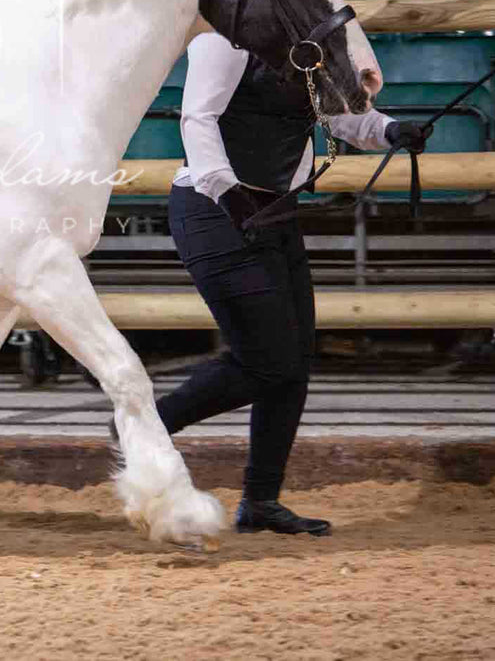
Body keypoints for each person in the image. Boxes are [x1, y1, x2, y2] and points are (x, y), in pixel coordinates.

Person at [120, 30, 427, 536]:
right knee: (266, 362)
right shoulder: (223, 41)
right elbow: (199, 119)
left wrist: (391, 131)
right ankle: (144, 424)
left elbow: (335, 113)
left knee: (294, 361)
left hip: (274, 213)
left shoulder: (304, 45)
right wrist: (229, 193)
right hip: (213, 211)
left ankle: (261, 501)